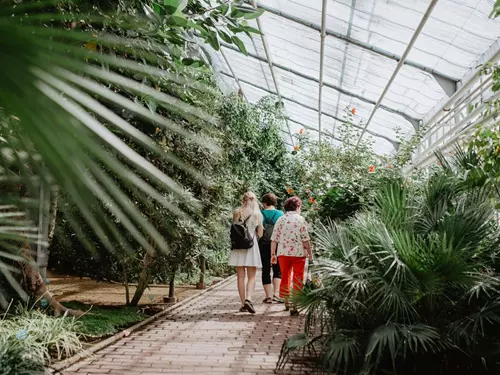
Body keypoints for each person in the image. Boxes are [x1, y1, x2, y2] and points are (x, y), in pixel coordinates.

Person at [271, 196, 313, 316]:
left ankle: (286, 302)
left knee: (285, 275)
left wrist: (272, 254)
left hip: (283, 253)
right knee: (298, 277)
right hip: (298, 253)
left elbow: (274, 239)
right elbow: (305, 239)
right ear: (297, 206)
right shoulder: (300, 219)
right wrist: (310, 253)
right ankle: (295, 304)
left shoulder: (281, 219)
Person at [229, 191, 263, 314]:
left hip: (238, 247)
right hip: (251, 246)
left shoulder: (237, 212)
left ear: (243, 200)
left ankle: (243, 303)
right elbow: (260, 234)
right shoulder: (257, 214)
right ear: (254, 200)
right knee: (252, 276)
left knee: (240, 276)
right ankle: (249, 298)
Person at [259, 193, 284, 304]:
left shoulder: (260, 214)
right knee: (277, 269)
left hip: (264, 244)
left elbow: (259, 232)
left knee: (265, 269)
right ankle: (276, 294)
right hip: (277, 244)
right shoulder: (280, 214)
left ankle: (268, 296)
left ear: (264, 203)